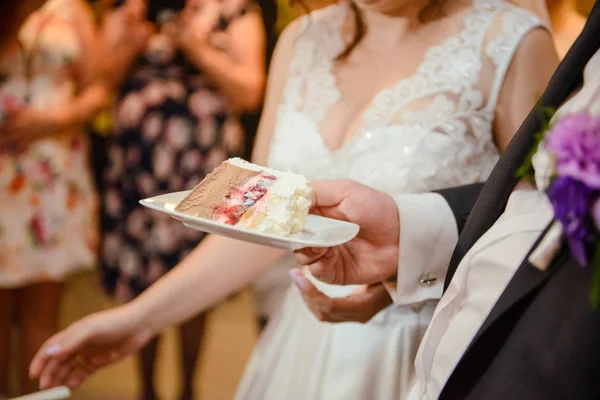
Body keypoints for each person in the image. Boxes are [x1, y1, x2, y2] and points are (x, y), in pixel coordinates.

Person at [27, 0, 558, 397]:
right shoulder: (302, 39)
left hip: (427, 348)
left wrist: (404, 279)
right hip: (299, 344)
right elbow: (259, 225)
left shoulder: (511, 42)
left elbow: (538, 225)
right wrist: (135, 321)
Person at [286, 2, 600, 398]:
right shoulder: (304, 37)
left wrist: (396, 282)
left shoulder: (509, 40)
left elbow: (525, 196)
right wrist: (408, 232)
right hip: (302, 332)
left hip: (431, 328)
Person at [97, 1, 266, 399]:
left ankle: (189, 389)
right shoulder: (128, 7)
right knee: (142, 277)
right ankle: (147, 390)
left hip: (201, 167)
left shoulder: (234, 10)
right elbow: (97, 82)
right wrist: (130, 41)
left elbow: (251, 90)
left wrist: (195, 47)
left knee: (196, 269)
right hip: (138, 169)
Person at [0, 0, 106, 395]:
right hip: (3, 170)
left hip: (53, 173)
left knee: (42, 314)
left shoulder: (73, 10)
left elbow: (98, 88)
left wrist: (56, 118)